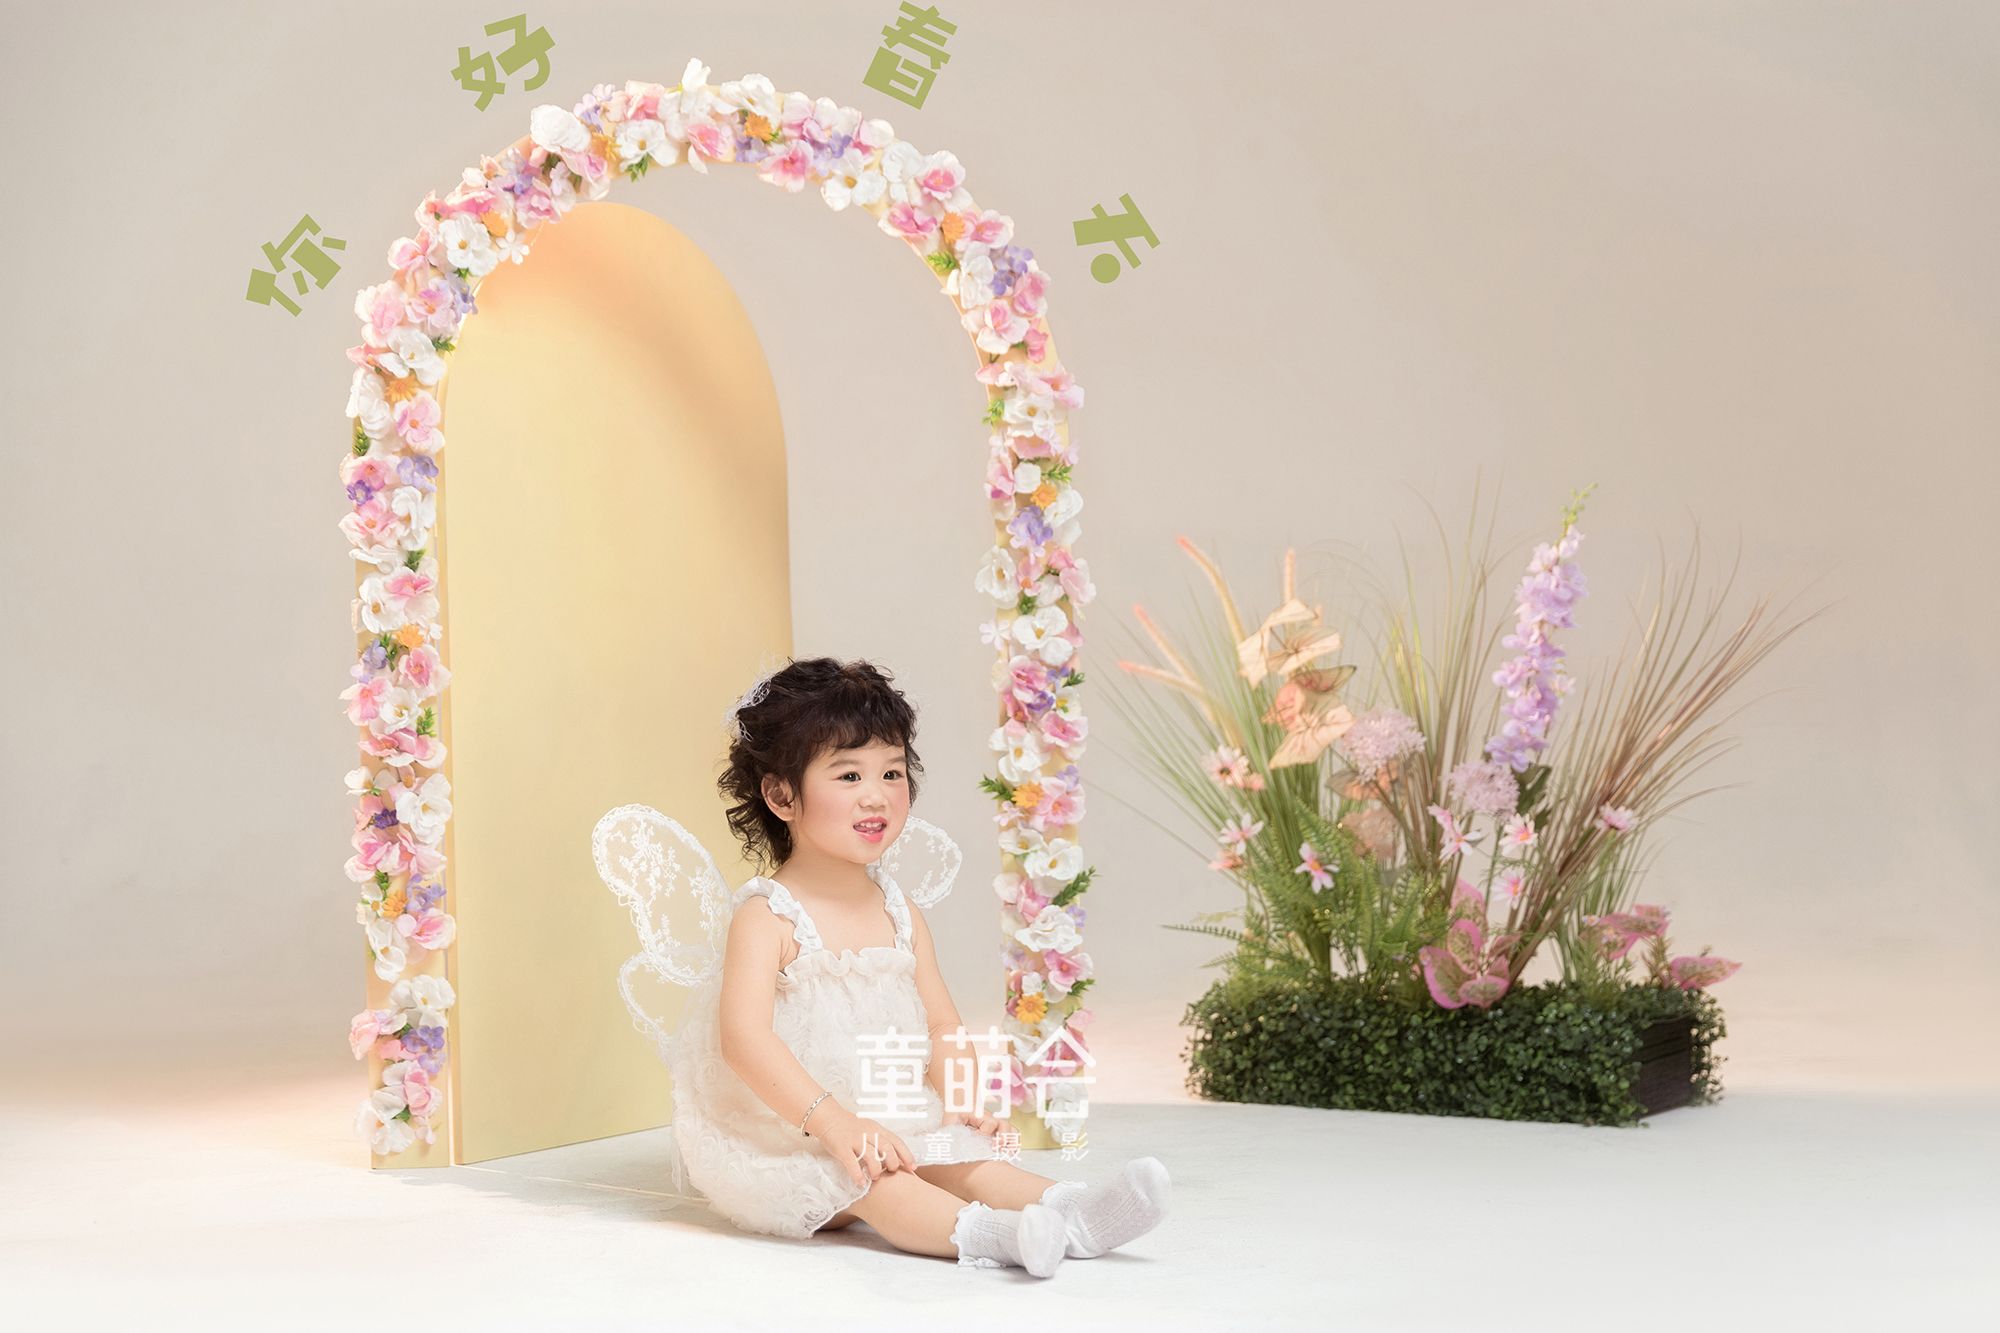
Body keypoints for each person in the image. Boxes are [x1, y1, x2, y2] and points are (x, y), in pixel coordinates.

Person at [669, 655, 1170, 1274]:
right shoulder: (767, 917)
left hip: (890, 1118)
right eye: (848, 775)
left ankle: (1075, 1210)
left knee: (962, 1157)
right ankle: (996, 1237)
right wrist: (836, 1124)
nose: (876, 795)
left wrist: (959, 1103)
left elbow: (941, 1025)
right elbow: (745, 1040)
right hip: (794, 1135)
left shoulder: (899, 911)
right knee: (879, 1181)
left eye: (892, 772)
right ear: (781, 795)